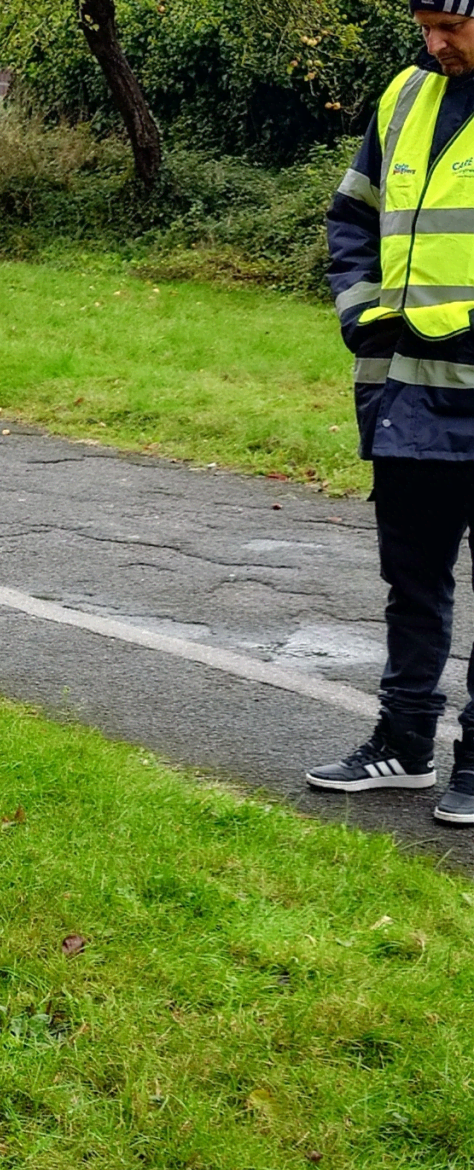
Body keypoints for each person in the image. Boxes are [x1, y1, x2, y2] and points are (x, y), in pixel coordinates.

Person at [311, 1, 474, 824]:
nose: (435, 44)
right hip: (407, 390)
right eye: (426, 25)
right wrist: (359, 310)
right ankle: (404, 743)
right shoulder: (404, 95)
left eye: (453, 27)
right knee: (411, 580)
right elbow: (353, 216)